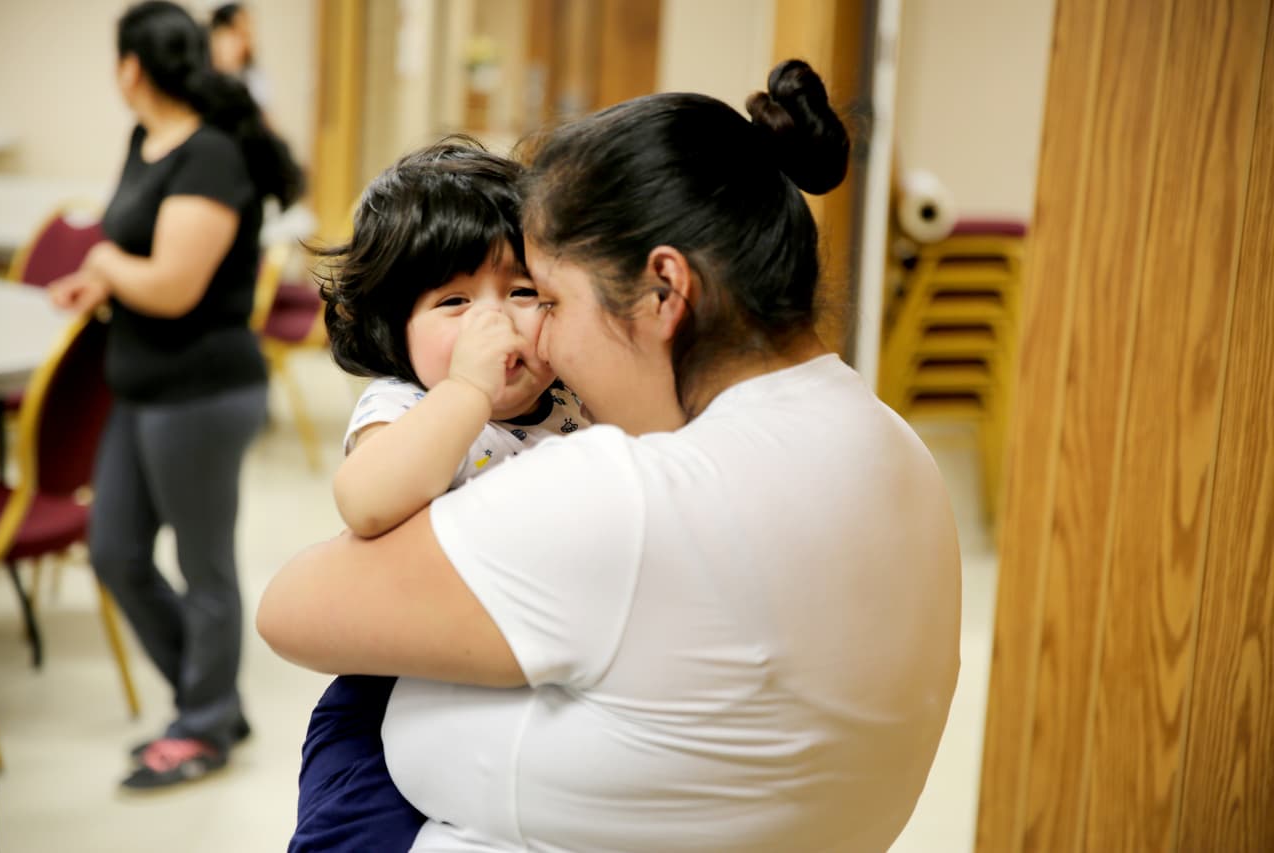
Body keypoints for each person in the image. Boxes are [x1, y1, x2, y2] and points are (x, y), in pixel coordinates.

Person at [259, 58, 961, 851]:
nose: (532, 334)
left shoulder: (633, 491)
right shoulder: (896, 447)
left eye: (544, 297)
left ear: (665, 290)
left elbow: (293, 608)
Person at [295, 140, 587, 850]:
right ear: (394, 329)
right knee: (354, 831)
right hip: (393, 682)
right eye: (454, 302)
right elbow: (365, 500)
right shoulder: (404, 405)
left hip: (527, 678)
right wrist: (465, 391)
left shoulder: (576, 397)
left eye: (521, 292)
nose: (495, 324)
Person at [49, 0, 303, 790]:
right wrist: (100, 275)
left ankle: (203, 723)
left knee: (204, 565)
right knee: (115, 551)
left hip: (201, 391)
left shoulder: (213, 156)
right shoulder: (145, 140)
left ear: (132, 68)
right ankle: (212, 699)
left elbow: (168, 282)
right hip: (139, 386)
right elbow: (131, 250)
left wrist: (110, 267)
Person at [208, 3, 269, 109]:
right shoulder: (201, 79)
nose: (246, 44)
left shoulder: (253, 79)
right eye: (238, 35)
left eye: (247, 36)